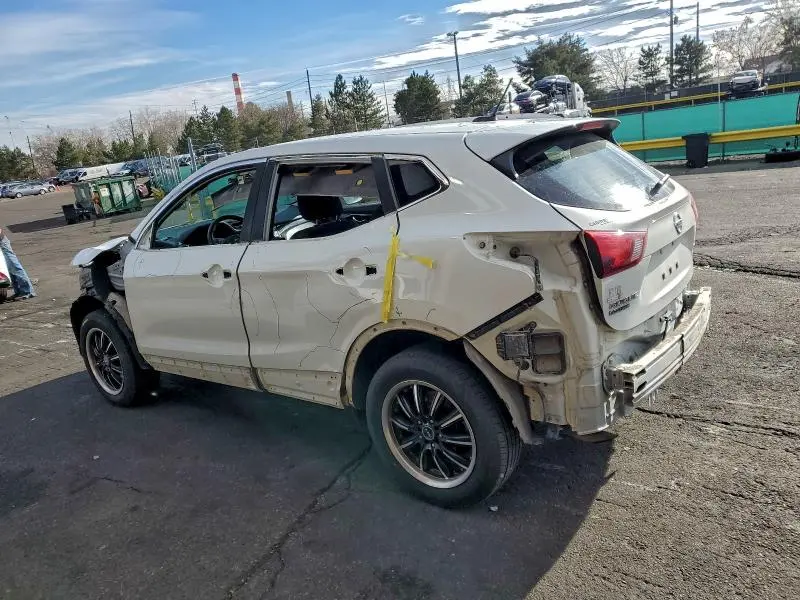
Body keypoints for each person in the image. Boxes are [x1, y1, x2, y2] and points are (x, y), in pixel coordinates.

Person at [0, 224, 36, 301]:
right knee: (9, 269)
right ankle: (19, 291)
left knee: (14, 267)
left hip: (1, 242)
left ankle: (28, 291)